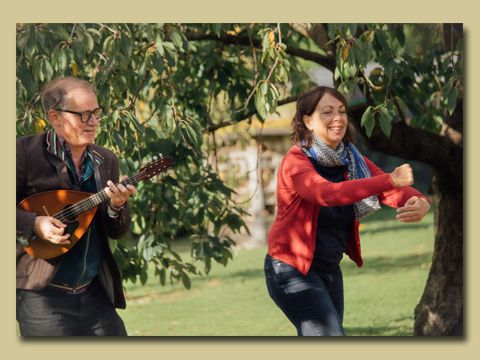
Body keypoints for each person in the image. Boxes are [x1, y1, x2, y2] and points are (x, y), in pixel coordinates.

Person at [264, 86, 430, 336]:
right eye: (327, 112)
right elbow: (327, 193)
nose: (338, 118)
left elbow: (388, 188)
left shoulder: (351, 160)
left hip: (329, 269)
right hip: (292, 270)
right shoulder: (296, 162)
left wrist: (419, 199)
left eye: (341, 111)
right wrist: (390, 181)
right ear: (308, 121)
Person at [16, 76, 137, 336]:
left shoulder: (106, 160)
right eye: (82, 115)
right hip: (43, 297)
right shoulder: (23, 153)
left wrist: (117, 206)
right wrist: (34, 223)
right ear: (55, 117)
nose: (93, 122)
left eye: (95, 113)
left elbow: (117, 231)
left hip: (94, 293)